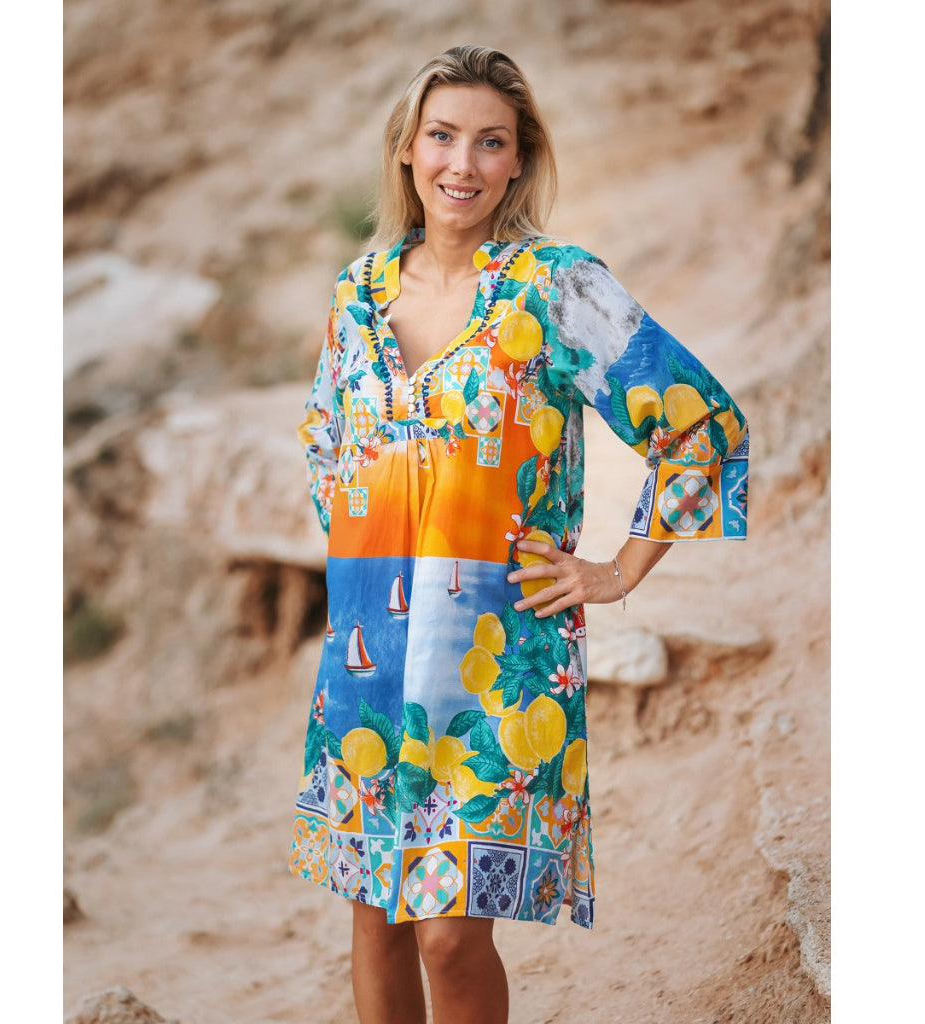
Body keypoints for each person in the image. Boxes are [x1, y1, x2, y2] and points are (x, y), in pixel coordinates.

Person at [290, 44, 748, 1024]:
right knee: (376, 914)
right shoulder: (357, 294)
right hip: (367, 661)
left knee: (452, 931)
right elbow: (326, 444)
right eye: (443, 136)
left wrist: (616, 571)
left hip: (499, 659)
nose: (462, 163)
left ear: (518, 159)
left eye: (489, 142)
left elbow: (700, 425)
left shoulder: (557, 288)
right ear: (407, 151)